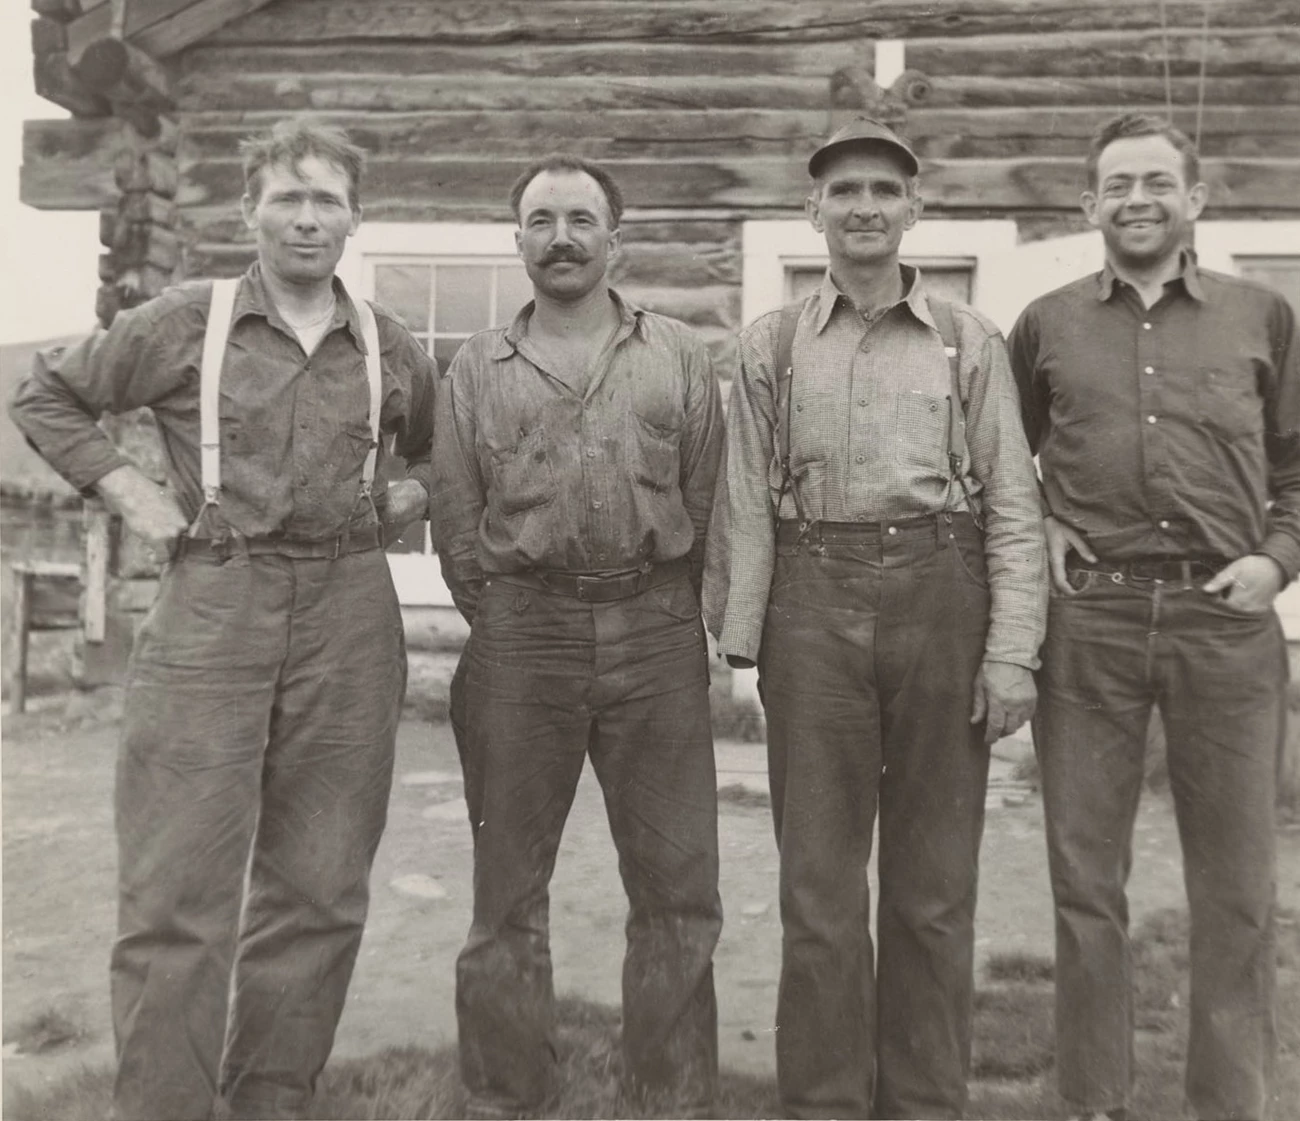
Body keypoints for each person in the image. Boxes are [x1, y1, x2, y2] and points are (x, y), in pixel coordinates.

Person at [10, 118, 437, 1121]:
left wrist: (406, 491)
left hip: (348, 609)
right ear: (249, 210)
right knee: (176, 888)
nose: (304, 217)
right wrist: (125, 487)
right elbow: (49, 395)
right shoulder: (180, 323)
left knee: (323, 882)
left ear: (353, 216)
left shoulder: (392, 343)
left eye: (324, 199)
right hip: (215, 600)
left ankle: (270, 1099)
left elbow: (425, 453)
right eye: (285, 197)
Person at [704, 117, 1047, 1119]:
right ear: (812, 211)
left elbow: (1014, 507)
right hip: (814, 604)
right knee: (818, 888)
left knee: (933, 891)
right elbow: (743, 497)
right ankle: (822, 1099)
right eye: (842, 191)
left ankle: (926, 1098)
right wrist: (744, 640)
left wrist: (1013, 651)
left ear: (913, 210)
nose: (862, 207)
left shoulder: (965, 337)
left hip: (942, 597)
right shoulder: (769, 345)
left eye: (882, 191)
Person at [1008, 111, 1297, 1121]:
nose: (1137, 200)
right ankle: (1093, 1098)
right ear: (1087, 203)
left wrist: (1278, 556)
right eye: (1117, 184)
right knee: (1086, 876)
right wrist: (1040, 518)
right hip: (1091, 617)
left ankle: (1230, 1101)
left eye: (1156, 182)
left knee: (1237, 885)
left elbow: (1297, 463)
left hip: (1225, 618)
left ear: (1195, 199)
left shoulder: (1261, 315)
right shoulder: (1044, 323)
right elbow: (1002, 459)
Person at [431, 153, 725, 1119]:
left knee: (677, 886)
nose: (561, 236)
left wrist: (673, 610)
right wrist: (515, 615)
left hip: (655, 629)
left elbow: (708, 495)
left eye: (581, 220)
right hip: (522, 633)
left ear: (615, 240)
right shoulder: (475, 366)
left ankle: (670, 1091)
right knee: (507, 892)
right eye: (541, 220)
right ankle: (509, 1092)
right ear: (517, 239)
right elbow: (457, 513)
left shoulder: (679, 353)